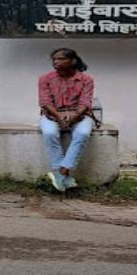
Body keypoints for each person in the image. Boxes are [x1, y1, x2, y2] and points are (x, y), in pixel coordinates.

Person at [39, 47, 96, 192]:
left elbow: (85, 102)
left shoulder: (86, 79)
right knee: (50, 133)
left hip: (80, 115)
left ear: (73, 61)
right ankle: (63, 177)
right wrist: (59, 118)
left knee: (82, 134)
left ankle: (62, 172)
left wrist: (73, 117)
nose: (56, 62)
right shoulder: (45, 78)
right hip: (52, 114)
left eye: (61, 58)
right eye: (54, 59)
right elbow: (45, 102)